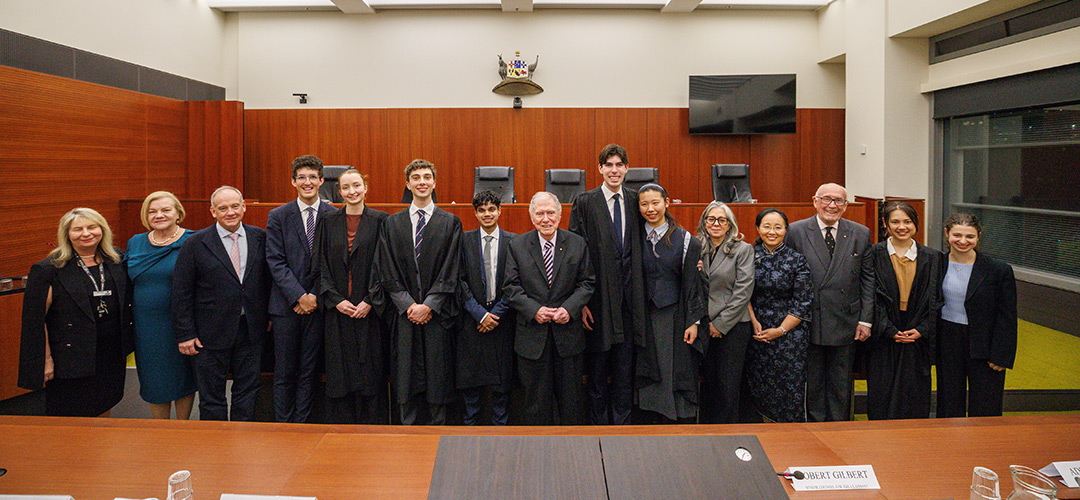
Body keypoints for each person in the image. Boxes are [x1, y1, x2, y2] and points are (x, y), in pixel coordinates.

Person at [18, 207, 133, 417]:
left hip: (110, 354)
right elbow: (35, 322)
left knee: (105, 403)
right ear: (67, 234)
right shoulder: (49, 269)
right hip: (70, 357)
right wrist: (46, 359)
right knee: (71, 414)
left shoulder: (117, 260)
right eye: (77, 229)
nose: (86, 233)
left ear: (103, 230)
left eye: (92, 227)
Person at [172, 186, 270, 422]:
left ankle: (242, 439)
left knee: (247, 390)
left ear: (244, 207)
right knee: (212, 396)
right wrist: (185, 333)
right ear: (213, 211)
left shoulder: (260, 237)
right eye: (223, 208)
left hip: (251, 328)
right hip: (209, 332)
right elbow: (181, 291)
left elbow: (267, 281)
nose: (230, 212)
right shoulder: (195, 243)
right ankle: (215, 443)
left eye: (235, 206)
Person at [376, 159, 462, 425]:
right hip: (405, 316)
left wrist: (430, 304)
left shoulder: (450, 222)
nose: (422, 182)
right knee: (405, 377)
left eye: (427, 177)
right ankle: (406, 435)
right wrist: (408, 305)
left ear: (435, 183)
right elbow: (386, 267)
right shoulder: (392, 223)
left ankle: (439, 433)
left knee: (438, 377)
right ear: (408, 184)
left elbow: (452, 267)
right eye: (416, 177)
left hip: (437, 315)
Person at [568, 143, 645, 426]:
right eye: (608, 165)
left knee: (625, 372)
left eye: (619, 165)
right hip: (598, 302)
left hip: (630, 302)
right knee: (598, 374)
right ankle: (599, 428)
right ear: (599, 168)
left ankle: (622, 428)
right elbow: (575, 253)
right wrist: (583, 302)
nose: (614, 170)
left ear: (627, 168)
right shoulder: (585, 202)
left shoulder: (638, 201)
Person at [504, 192, 595, 425]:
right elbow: (511, 287)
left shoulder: (577, 243)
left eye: (551, 213)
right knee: (535, 405)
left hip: (568, 339)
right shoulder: (517, 245)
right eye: (540, 214)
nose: (546, 219)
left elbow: (587, 283)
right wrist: (534, 310)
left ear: (560, 215)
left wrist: (570, 308)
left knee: (571, 404)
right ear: (532, 218)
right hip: (532, 339)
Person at [786, 183, 873, 422]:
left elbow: (868, 280)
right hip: (809, 320)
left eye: (838, 201)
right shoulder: (795, 231)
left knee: (841, 384)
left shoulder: (860, 233)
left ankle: (840, 432)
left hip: (846, 321)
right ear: (815, 201)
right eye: (826, 199)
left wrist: (866, 319)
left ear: (845, 206)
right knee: (813, 383)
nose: (832, 206)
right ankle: (814, 431)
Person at [313, 169, 390, 424]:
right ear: (339, 191)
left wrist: (370, 300)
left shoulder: (381, 220)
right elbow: (320, 265)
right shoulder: (328, 221)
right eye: (346, 188)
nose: (352, 191)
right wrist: (335, 300)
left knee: (370, 372)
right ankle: (340, 432)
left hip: (370, 310)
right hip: (339, 311)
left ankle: (372, 432)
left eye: (356, 185)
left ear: (365, 187)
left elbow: (387, 265)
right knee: (339, 372)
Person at [266, 154, 338, 423]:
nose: (307, 182)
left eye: (312, 177)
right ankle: (284, 425)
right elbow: (275, 260)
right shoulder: (278, 216)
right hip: (286, 307)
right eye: (301, 177)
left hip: (318, 306)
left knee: (309, 371)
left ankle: (302, 424)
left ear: (321, 181)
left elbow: (334, 264)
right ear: (293, 181)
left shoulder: (334, 215)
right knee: (284, 372)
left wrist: (315, 297)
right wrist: (299, 296)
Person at [633, 184, 705, 424]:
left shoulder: (687, 241)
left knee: (672, 369)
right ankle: (648, 419)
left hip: (673, 316)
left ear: (667, 203)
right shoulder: (632, 238)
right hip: (641, 316)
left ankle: (675, 420)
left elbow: (694, 285)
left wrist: (693, 322)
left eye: (655, 203)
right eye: (644, 204)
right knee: (646, 369)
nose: (650, 209)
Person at [865, 201, 943, 420]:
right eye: (895, 221)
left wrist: (923, 329)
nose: (902, 227)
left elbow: (937, 298)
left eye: (907, 221)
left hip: (917, 332)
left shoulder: (933, 257)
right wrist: (888, 329)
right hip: (884, 332)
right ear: (885, 224)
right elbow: (869, 295)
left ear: (915, 224)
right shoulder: (873, 254)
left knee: (915, 392)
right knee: (882, 391)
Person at [936, 212, 1017, 418]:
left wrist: (1001, 354)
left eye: (970, 236)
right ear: (947, 234)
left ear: (978, 236)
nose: (963, 241)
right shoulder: (935, 264)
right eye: (957, 235)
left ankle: (985, 446)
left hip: (985, 344)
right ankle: (949, 444)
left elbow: (1006, 316)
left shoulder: (998, 270)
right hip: (948, 340)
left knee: (986, 404)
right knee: (949, 400)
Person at [126, 192, 196, 419]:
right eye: (152, 211)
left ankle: (183, 427)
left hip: (181, 324)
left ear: (178, 213)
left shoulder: (193, 241)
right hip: (146, 327)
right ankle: (161, 429)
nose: (159, 215)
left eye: (166, 210)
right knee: (154, 379)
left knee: (183, 377)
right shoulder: (135, 242)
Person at [745, 208, 813, 423]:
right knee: (756, 386)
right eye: (766, 226)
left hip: (790, 335)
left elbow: (803, 301)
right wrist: (754, 321)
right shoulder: (748, 256)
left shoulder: (797, 260)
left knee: (788, 389)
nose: (771, 231)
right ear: (757, 229)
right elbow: (741, 292)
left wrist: (781, 330)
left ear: (786, 230)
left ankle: (790, 440)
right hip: (755, 332)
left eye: (777, 227)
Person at [456, 190, 517, 426]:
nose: (487, 214)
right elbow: (458, 282)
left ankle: (501, 436)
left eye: (492, 209)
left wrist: (496, 314)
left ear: (500, 211)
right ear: (475, 213)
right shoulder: (463, 241)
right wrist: (480, 315)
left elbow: (516, 283)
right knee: (471, 387)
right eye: (481, 210)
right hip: (472, 323)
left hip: (502, 323)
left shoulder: (515, 241)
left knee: (502, 387)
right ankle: (469, 436)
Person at [696, 201, 755, 424]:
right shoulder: (696, 246)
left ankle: (727, 433)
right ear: (704, 223)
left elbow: (743, 291)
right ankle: (707, 432)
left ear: (730, 224)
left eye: (722, 220)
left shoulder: (743, 249)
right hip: (703, 325)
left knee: (727, 385)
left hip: (733, 327)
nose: (716, 224)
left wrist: (720, 325)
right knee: (709, 382)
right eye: (711, 219)